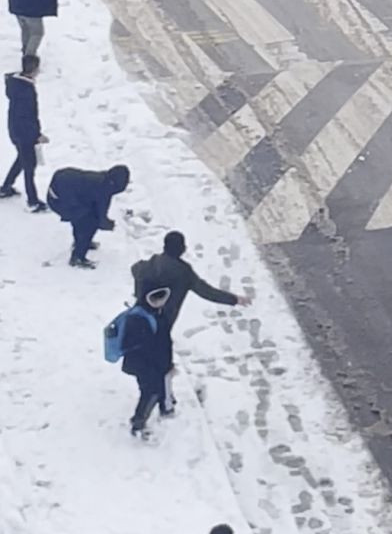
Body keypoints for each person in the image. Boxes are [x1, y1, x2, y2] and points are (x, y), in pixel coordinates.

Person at [130, 232, 250, 416]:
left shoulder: (150, 264)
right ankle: (164, 405)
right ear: (181, 249)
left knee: (149, 360)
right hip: (162, 324)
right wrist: (234, 299)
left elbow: (135, 269)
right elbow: (206, 291)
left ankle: (161, 398)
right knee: (163, 365)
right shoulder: (183, 272)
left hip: (140, 319)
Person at [46, 163, 130, 268]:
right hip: (58, 200)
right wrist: (108, 224)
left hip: (61, 189)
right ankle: (77, 257)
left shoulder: (104, 180)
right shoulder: (104, 189)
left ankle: (80, 242)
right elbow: (101, 218)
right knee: (89, 223)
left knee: (84, 215)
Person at [121, 283, 172, 439]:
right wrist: (163, 366)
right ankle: (138, 424)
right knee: (151, 392)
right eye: (154, 299)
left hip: (153, 364)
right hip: (145, 365)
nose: (159, 302)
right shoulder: (138, 319)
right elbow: (148, 346)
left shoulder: (157, 313)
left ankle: (157, 410)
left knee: (150, 390)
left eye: (162, 298)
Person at [0, 55, 47, 211]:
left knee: (22, 159)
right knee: (29, 166)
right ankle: (33, 201)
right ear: (34, 70)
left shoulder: (14, 84)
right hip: (25, 133)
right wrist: (37, 135)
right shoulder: (27, 92)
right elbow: (29, 116)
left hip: (14, 129)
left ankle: (6, 188)